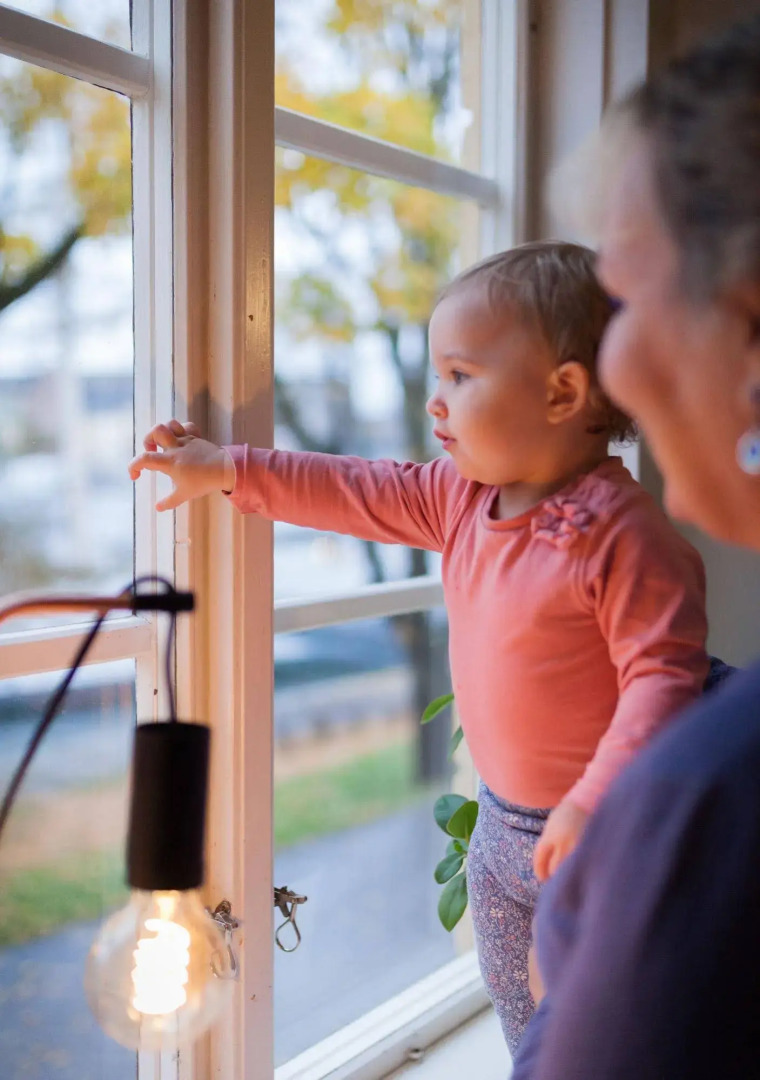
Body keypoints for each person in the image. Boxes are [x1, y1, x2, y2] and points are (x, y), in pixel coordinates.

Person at [128, 241, 709, 1053]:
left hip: (598, 835)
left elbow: (664, 680)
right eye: (438, 377)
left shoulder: (622, 534)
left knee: (595, 1035)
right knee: (520, 1018)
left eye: (461, 377)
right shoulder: (460, 500)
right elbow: (354, 489)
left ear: (562, 392)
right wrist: (226, 467)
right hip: (499, 835)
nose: (436, 402)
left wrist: (592, 798)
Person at [512, 14, 760, 1080]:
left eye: (618, 295)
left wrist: (585, 957)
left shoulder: (712, 798)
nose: (608, 359)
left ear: (744, 321)